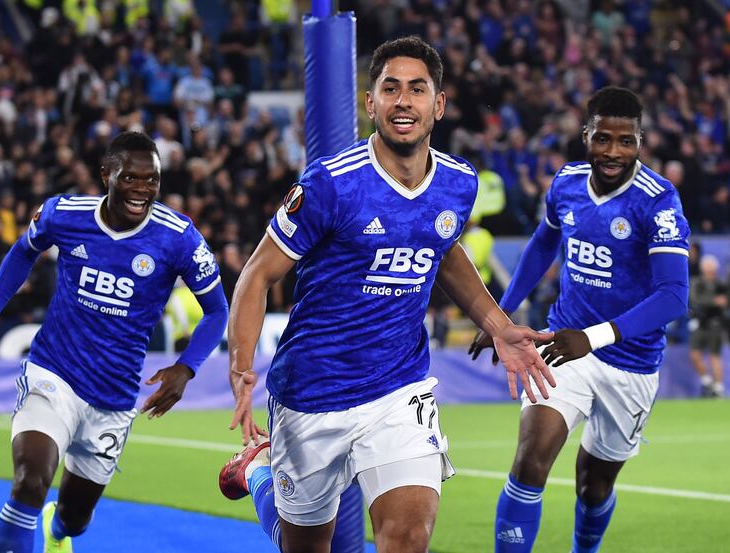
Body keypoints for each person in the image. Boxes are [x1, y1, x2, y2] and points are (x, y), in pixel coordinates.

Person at [218, 36, 555, 553]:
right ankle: (260, 472)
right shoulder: (332, 184)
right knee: (302, 545)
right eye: (390, 88)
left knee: (408, 538)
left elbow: (442, 248)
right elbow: (257, 274)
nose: (404, 101)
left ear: (437, 105)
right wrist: (242, 366)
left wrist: (497, 323)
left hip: (399, 388)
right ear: (370, 102)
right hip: (313, 391)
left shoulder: (459, 183)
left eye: (417, 90)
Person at [0, 131, 229, 553]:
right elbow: (23, 251)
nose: (142, 190)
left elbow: (217, 311)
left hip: (113, 397)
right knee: (30, 480)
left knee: (74, 519)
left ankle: (57, 532)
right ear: (106, 175)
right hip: (54, 373)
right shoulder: (64, 214)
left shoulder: (179, 238)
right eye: (131, 178)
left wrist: (186, 366)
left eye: (152, 180)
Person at [470, 86, 690, 552]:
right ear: (586, 135)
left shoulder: (658, 201)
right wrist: (501, 313)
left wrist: (592, 338)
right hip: (561, 346)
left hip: (629, 363)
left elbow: (673, 296)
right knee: (530, 463)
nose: (613, 152)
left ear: (640, 142)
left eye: (625, 141)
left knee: (594, 487)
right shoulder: (567, 184)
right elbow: (543, 244)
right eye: (603, 139)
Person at [688, 254, 727, 398]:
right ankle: (707, 381)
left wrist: (721, 302)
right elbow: (695, 299)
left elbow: (726, 301)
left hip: (715, 323)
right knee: (695, 354)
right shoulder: (697, 283)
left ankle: (718, 388)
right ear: (703, 268)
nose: (710, 270)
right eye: (707, 267)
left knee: (714, 356)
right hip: (699, 323)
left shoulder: (721, 284)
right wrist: (713, 301)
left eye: (712, 268)